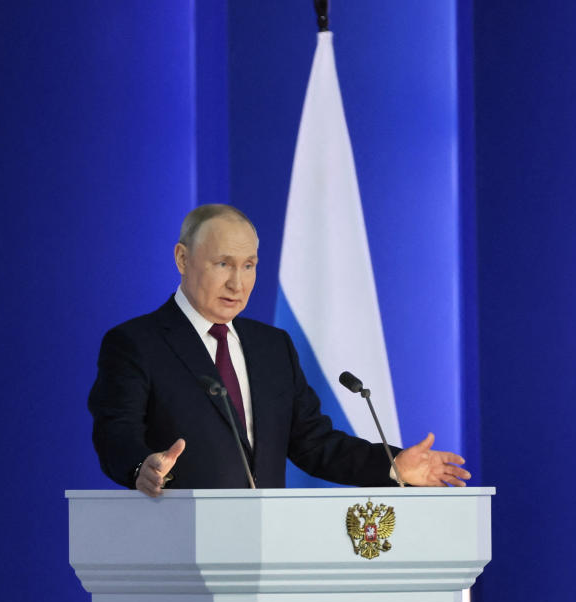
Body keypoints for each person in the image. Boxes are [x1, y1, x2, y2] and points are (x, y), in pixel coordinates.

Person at [88, 203, 470, 497]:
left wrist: (392, 466)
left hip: (267, 551)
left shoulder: (272, 347)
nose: (238, 283)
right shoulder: (137, 343)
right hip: (179, 546)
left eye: (249, 265)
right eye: (223, 264)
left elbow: (314, 444)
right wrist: (143, 466)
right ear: (183, 259)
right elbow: (115, 433)